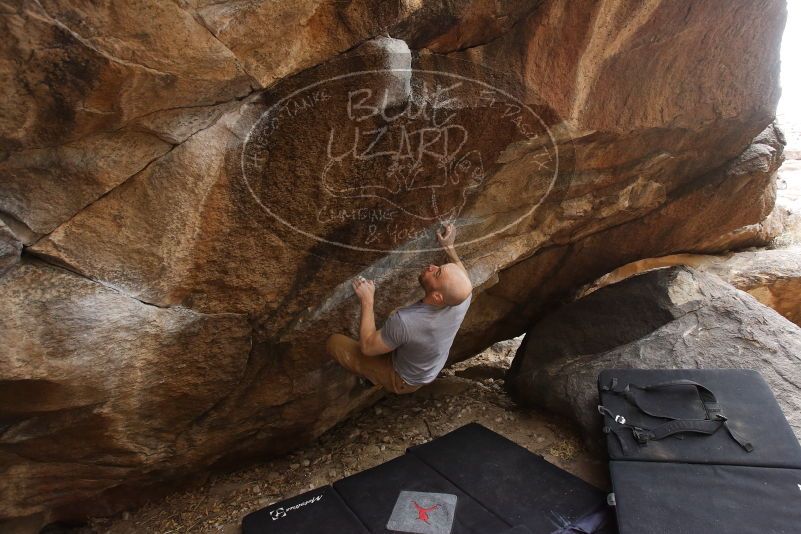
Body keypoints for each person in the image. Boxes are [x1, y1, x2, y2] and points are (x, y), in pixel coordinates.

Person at [326, 223, 473, 394]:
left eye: (437, 273)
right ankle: (390, 353)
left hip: (403, 379)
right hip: (427, 367)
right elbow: (462, 277)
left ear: (437, 297)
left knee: (334, 342)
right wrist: (449, 247)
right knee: (397, 333)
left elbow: (367, 347)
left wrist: (367, 300)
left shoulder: (407, 322)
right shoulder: (461, 298)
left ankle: (373, 378)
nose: (432, 266)